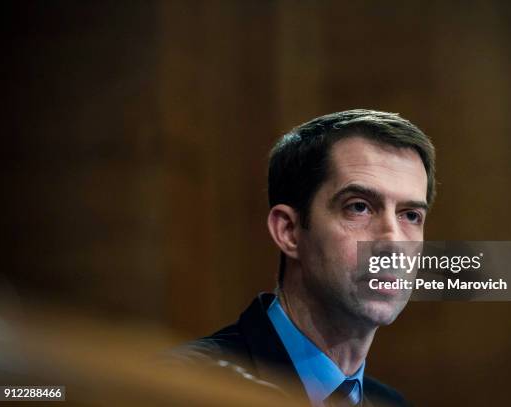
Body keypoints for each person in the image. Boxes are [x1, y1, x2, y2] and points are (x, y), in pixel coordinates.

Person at [171, 109, 436, 407]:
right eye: (359, 207)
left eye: (411, 215)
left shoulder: (392, 403)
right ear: (289, 231)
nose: (394, 241)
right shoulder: (186, 388)